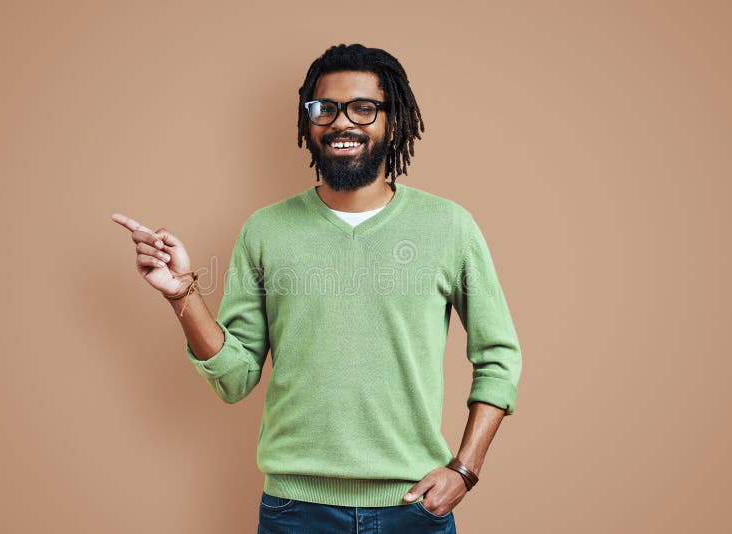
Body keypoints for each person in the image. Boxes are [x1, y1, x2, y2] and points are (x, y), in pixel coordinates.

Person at [112, 43, 522, 534]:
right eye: (324, 108)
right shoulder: (265, 231)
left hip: (413, 508)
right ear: (308, 122)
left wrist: (465, 468)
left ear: (393, 122)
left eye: (363, 108)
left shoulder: (449, 227)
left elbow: (499, 356)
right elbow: (236, 378)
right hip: (295, 512)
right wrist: (182, 295)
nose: (340, 122)